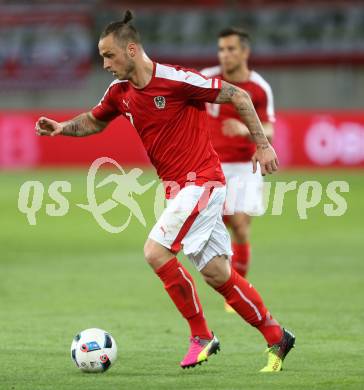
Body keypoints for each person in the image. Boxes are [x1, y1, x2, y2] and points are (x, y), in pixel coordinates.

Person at [35, 10, 294, 372]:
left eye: (109, 55)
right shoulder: (120, 92)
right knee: (218, 274)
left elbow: (237, 96)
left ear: (131, 49)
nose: (105, 64)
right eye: (101, 57)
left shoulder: (176, 80)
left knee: (156, 252)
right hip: (179, 190)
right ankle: (276, 335)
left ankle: (202, 335)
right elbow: (94, 120)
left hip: (201, 181)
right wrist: (62, 127)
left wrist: (262, 144)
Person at [201, 28, 276, 312]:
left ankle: (236, 292)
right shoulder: (207, 78)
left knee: (241, 227)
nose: (225, 55)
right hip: (210, 165)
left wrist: (245, 130)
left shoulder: (258, 87)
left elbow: (270, 130)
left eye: (231, 49)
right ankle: (228, 280)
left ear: (245, 52)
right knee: (218, 226)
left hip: (245, 166)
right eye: (221, 49)